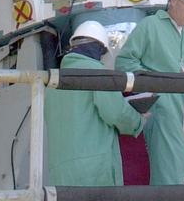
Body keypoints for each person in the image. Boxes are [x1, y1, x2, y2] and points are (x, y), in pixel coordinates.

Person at [114, 0, 184, 184]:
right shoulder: (149, 26)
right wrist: (155, 91)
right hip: (164, 119)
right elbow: (124, 63)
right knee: (168, 185)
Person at [45, 19, 145, 185]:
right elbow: (115, 112)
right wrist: (138, 120)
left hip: (60, 173)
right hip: (94, 170)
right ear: (100, 48)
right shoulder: (97, 73)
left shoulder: (53, 84)